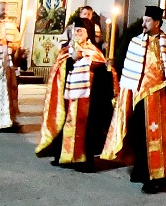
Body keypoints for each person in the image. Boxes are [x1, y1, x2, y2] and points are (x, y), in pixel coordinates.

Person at [100, 5, 166, 193]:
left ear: (157, 23)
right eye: (144, 20)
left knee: (156, 137)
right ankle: (140, 168)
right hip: (137, 95)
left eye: (147, 21)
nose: (143, 24)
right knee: (138, 135)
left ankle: (158, 176)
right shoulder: (136, 42)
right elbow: (129, 70)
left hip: (158, 96)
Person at [36, 18, 116, 168]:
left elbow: (102, 74)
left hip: (87, 99)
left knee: (85, 127)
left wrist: (106, 68)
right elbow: (57, 72)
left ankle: (82, 159)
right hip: (68, 98)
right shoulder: (66, 51)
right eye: (75, 30)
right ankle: (63, 156)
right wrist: (70, 61)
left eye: (80, 30)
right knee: (67, 123)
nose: (77, 33)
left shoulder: (94, 51)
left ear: (88, 33)